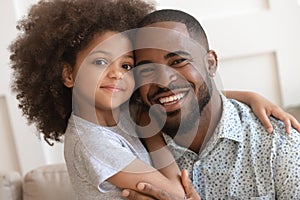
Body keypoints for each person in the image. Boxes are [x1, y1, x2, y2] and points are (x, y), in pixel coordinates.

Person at [9, 1, 299, 199]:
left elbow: (191, 92)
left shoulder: (127, 112)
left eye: (125, 66)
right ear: (68, 75)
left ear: (211, 65)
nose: (116, 75)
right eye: (99, 62)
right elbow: (173, 192)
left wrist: (248, 96)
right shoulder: (91, 140)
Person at [122, 9, 300, 199]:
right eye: (147, 70)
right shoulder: (127, 150)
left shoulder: (278, 144)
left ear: (211, 64)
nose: (163, 82)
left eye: (178, 61)